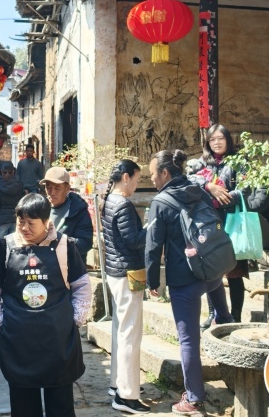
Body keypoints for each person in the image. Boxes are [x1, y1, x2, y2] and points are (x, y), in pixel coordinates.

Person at [0, 194, 91, 417]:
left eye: (31, 223)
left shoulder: (64, 246)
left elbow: (81, 285)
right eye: (20, 221)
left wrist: (76, 319)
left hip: (58, 339)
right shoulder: (7, 246)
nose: (24, 228)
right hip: (19, 341)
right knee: (23, 405)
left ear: (46, 221)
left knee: (60, 405)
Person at [146, 150, 232, 415]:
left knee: (188, 340)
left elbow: (153, 248)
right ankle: (234, 370)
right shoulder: (198, 189)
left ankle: (193, 398)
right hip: (212, 272)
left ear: (164, 173)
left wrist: (152, 281)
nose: (152, 179)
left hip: (185, 281)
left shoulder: (161, 202)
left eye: (153, 174)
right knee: (224, 317)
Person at [100, 161, 150, 414]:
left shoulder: (109, 200)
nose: (137, 185)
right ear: (126, 177)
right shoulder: (123, 205)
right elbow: (133, 241)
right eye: (137, 180)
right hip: (128, 272)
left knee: (121, 330)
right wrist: (151, 227)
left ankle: (118, 384)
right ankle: (126, 395)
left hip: (115, 271)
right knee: (130, 334)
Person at [192, 124, 247, 327]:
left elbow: (246, 188)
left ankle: (236, 316)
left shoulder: (239, 161)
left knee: (234, 272)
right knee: (211, 271)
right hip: (209, 222)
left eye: (220, 138)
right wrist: (208, 186)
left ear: (228, 140)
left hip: (232, 221)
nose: (216, 142)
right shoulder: (201, 163)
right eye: (212, 139)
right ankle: (213, 314)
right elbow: (190, 180)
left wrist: (224, 198)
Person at [42, 167, 94, 250]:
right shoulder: (40, 208)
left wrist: (58, 241)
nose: (52, 192)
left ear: (67, 189)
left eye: (57, 188)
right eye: (48, 187)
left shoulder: (78, 211)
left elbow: (85, 243)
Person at [0, 162, 25, 249]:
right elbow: (23, 204)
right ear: (13, 172)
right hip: (15, 219)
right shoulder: (19, 184)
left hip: (1, 220)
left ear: (1, 171)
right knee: (15, 249)